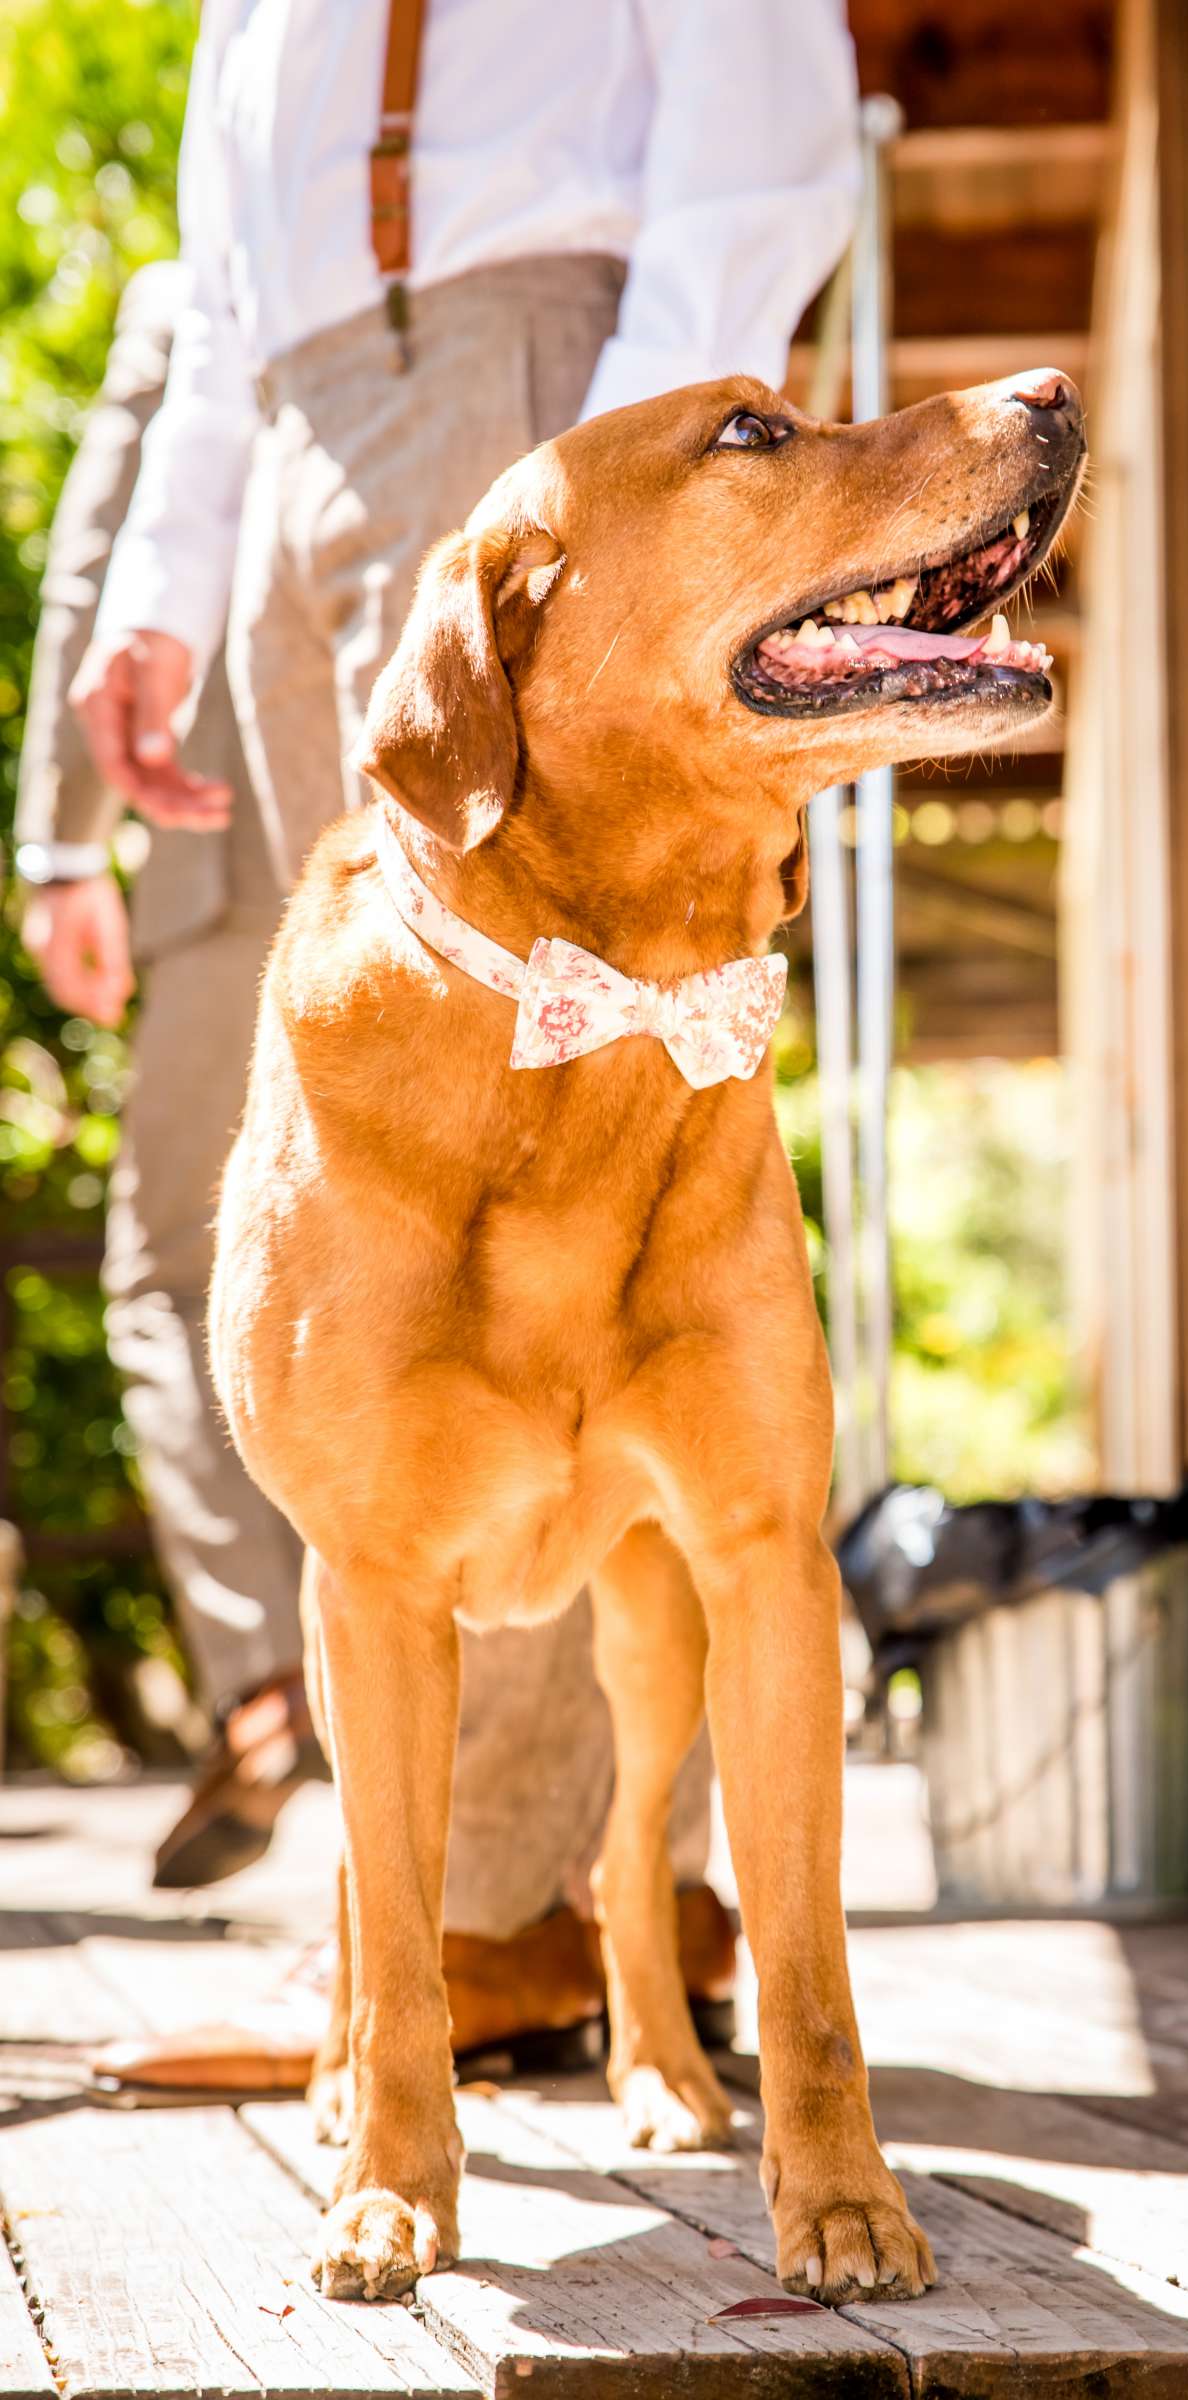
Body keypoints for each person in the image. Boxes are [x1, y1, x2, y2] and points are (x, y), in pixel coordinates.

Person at [28, 0, 859, 2090]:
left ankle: (519, 1918)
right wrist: (162, 583)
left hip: (555, 387)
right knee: (411, 1172)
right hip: (308, 420)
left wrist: (636, 497)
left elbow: (760, 131)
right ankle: (447, 1919)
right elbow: (226, 282)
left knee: (587, 1166)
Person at [17, 263, 318, 1891]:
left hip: (223, 846)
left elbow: (100, 562)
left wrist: (62, 839)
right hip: (431, 824)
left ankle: (263, 1678)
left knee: (173, 1277)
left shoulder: (201, 275)